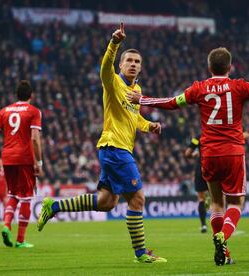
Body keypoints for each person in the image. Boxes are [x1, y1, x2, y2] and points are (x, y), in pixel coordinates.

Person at [127, 47, 249, 265]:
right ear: (229, 67)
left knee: (216, 204)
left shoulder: (199, 88)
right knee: (235, 204)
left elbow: (171, 103)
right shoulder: (240, 86)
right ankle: (222, 238)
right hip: (234, 152)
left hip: (209, 154)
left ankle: (224, 255)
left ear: (209, 68)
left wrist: (143, 99)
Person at [37, 23, 166, 263]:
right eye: (129, 61)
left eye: (137, 62)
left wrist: (150, 126)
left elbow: (134, 118)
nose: (134, 64)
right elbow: (105, 67)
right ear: (121, 65)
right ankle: (141, 254)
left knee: (106, 202)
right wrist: (115, 43)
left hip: (114, 150)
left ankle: (53, 207)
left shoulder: (136, 90)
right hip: (115, 148)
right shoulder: (113, 81)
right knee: (138, 199)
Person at [0, 80, 43, 248]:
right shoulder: (33, 111)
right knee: (26, 197)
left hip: (7, 157)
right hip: (25, 158)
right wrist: (39, 161)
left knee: (12, 195)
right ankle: (20, 240)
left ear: (16, 95)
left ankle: (6, 226)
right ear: (31, 95)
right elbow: (34, 138)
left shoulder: (4, 111)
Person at [185, 125, 249, 235]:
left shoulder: (198, 138)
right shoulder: (220, 135)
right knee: (221, 201)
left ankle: (203, 225)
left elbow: (187, 153)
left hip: (201, 168)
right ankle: (224, 228)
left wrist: (195, 155)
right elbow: (239, 137)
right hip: (216, 165)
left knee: (201, 199)